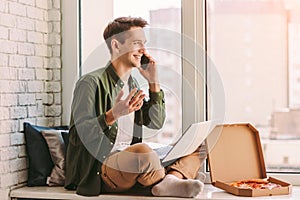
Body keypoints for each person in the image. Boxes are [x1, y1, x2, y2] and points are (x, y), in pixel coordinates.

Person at [64, 16, 205, 198]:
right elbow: (76, 136)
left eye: (144, 44)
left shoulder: (133, 85)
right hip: (102, 167)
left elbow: (155, 122)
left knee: (197, 145)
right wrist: (112, 115)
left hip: (130, 163)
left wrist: (154, 83)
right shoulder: (90, 83)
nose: (143, 50)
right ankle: (173, 177)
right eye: (136, 43)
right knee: (143, 151)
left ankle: (168, 181)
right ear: (116, 45)